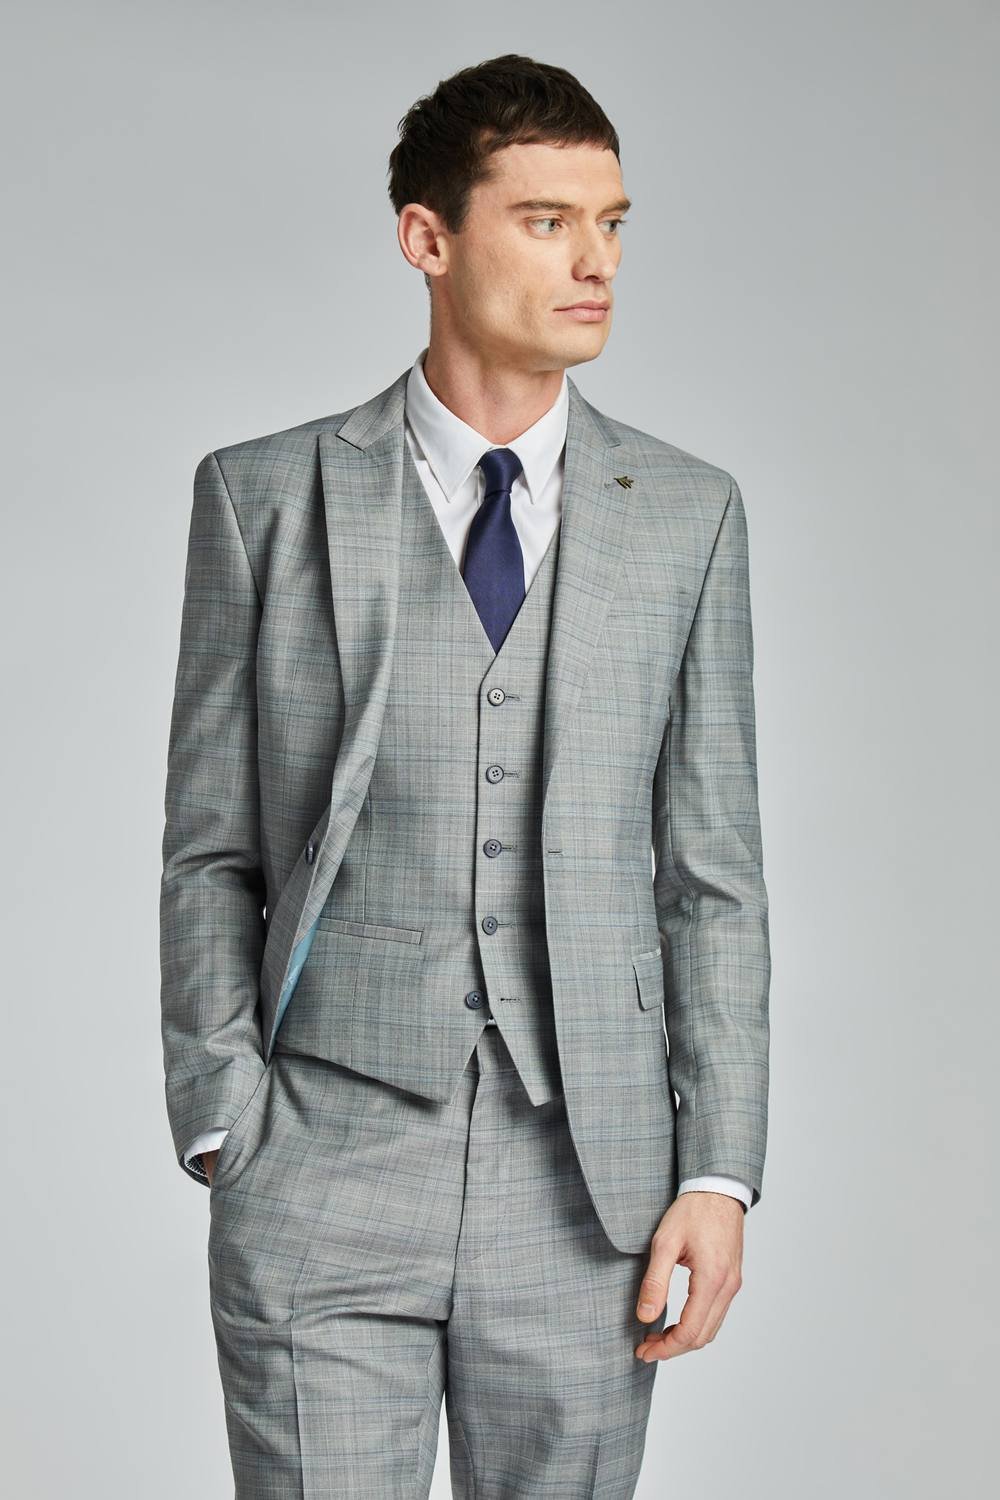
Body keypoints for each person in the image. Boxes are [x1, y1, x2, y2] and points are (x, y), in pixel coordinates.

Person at [160, 51, 770, 1498]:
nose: (595, 262)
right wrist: (224, 1115)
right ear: (427, 238)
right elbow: (212, 848)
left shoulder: (688, 515)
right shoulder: (263, 496)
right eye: (547, 221)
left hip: (587, 1185)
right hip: (321, 1163)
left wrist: (717, 1170)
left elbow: (713, 875)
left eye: (611, 224)